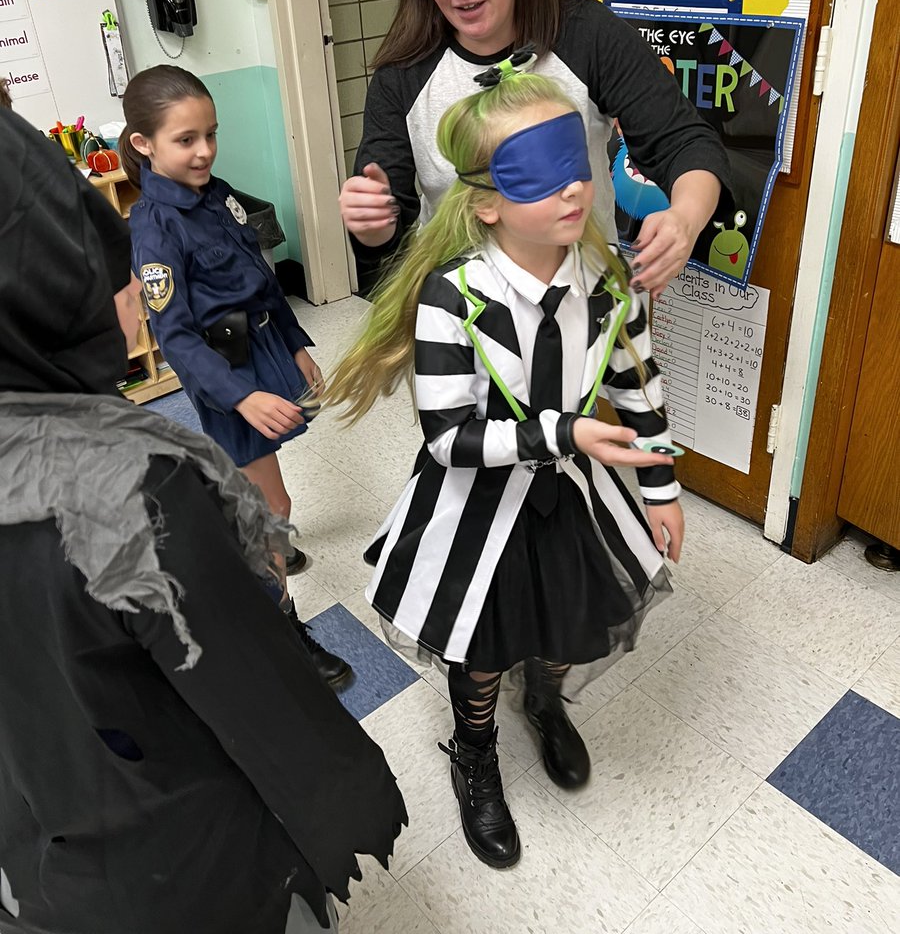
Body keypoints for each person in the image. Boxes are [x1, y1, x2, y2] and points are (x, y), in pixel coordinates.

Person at [0, 105, 407, 933]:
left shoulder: (220, 199)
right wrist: (348, 800)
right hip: (184, 864)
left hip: (45, 847)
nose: (128, 301)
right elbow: (257, 700)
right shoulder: (133, 491)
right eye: (106, 273)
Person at [327, 69, 684, 869]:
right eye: (542, 174)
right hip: (478, 505)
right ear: (487, 202)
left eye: (577, 165)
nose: (574, 188)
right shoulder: (452, 298)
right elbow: (448, 437)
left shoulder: (609, 285)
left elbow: (639, 384)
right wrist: (564, 432)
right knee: (483, 643)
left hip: (572, 498)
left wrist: (660, 486)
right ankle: (475, 749)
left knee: (569, 617)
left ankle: (546, 700)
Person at [339, 0, 731, 298]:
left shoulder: (586, 34)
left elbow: (685, 142)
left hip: (583, 301)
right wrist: (371, 224)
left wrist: (684, 219)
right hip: (462, 316)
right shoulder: (403, 74)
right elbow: (386, 242)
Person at [121, 65, 350, 686]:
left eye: (211, 134)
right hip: (225, 373)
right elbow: (174, 336)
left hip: (264, 347)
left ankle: (267, 544)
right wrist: (242, 396)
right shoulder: (155, 226)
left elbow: (261, 278)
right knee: (268, 504)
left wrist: (297, 344)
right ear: (143, 144)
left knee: (265, 490)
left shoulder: (217, 193)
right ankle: (282, 626)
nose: (204, 151)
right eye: (185, 140)